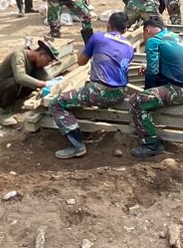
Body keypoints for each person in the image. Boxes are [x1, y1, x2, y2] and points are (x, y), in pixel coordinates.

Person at [45, 11, 135, 159]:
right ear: (125, 30)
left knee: (56, 103)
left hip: (99, 93)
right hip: (119, 94)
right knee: (90, 87)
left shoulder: (98, 37)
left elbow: (81, 62)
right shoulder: (129, 47)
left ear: (108, 25)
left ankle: (77, 145)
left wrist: (91, 49)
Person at [127, 14, 183, 158]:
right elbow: (169, 63)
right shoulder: (172, 36)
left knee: (136, 101)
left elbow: (153, 71)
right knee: (148, 96)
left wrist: (147, 91)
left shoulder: (153, 41)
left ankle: (151, 144)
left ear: (147, 31)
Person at [0, 38, 58, 111]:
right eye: (48, 61)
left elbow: (46, 77)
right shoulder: (18, 55)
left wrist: (56, 82)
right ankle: (5, 112)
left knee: (33, 78)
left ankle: (15, 104)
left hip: (9, 91)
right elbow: (20, 78)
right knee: (13, 82)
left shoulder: (35, 63)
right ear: (42, 55)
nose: (47, 64)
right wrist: (45, 84)